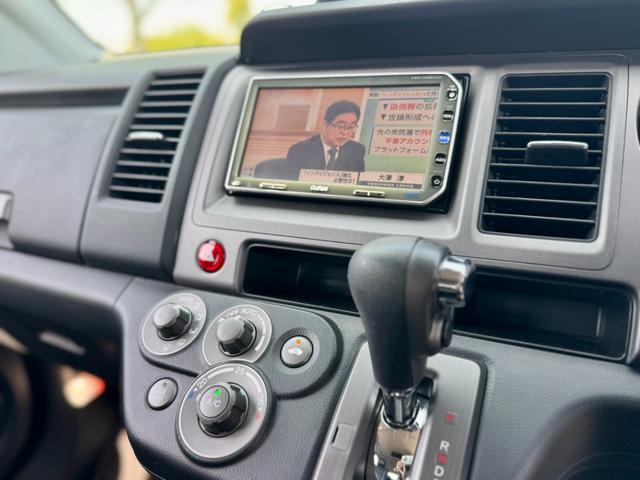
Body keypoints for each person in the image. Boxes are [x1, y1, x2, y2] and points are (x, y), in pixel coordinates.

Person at [285, 100, 366, 174]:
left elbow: (357, 181)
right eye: (341, 126)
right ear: (325, 125)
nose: (345, 133)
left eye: (351, 127)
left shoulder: (357, 150)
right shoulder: (300, 150)